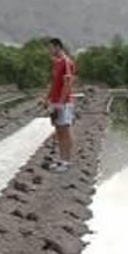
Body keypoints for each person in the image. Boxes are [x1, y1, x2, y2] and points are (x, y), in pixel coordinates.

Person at [42, 38, 76, 172]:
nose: (49, 50)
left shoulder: (66, 62)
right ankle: (62, 160)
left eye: (50, 48)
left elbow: (68, 84)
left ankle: (67, 162)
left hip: (64, 103)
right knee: (59, 132)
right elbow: (53, 83)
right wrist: (47, 99)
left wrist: (60, 103)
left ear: (57, 47)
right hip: (55, 102)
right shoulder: (55, 63)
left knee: (65, 132)